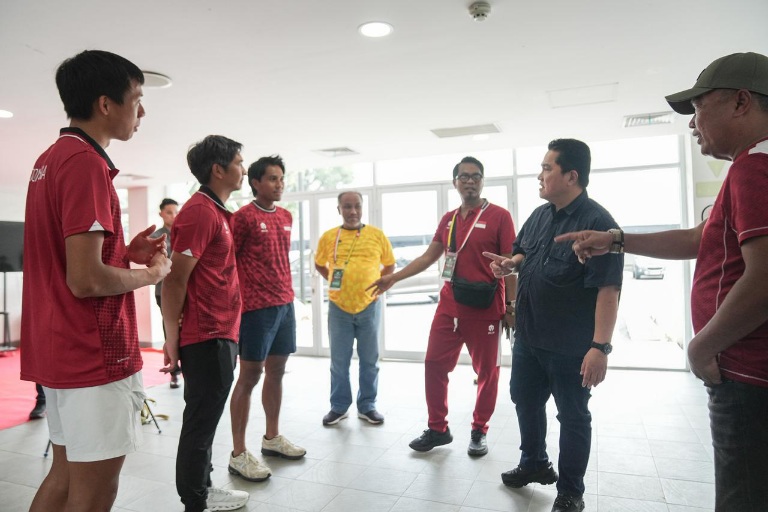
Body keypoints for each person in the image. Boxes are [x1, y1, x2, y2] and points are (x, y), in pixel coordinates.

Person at [554, 52, 768, 512]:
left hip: (747, 374)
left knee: (743, 496)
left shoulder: (756, 167)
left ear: (741, 102)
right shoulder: (748, 166)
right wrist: (616, 240)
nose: (692, 124)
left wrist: (701, 346)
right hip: (747, 371)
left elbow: (766, 277)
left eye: (699, 107)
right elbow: (700, 239)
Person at [20, 50, 171, 512]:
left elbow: (70, 261)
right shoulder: (85, 163)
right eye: (137, 99)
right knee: (95, 490)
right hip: (91, 352)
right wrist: (149, 274)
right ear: (106, 104)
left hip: (59, 347)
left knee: (64, 476)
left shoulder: (51, 159)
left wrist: (126, 256)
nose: (141, 111)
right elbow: (84, 279)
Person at [485, 138, 623, 512]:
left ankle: (571, 491)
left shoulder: (599, 224)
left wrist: (600, 348)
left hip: (569, 346)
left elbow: (608, 292)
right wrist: (510, 264)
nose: (540, 175)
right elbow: (523, 250)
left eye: (547, 168)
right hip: (529, 338)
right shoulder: (539, 215)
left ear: (572, 176)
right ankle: (534, 462)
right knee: (524, 400)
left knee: (572, 416)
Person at [369, 156, 516, 456]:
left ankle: (479, 430)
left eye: (476, 176)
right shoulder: (449, 219)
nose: (470, 181)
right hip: (449, 307)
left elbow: (510, 266)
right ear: (455, 183)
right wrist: (393, 278)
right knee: (434, 364)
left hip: (486, 307)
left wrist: (511, 307)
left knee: (487, 372)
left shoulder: (500, 216)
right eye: (464, 177)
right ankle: (438, 428)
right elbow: (428, 257)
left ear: (483, 181)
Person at [161, 135, 249, 512]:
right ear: (219, 169)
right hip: (207, 335)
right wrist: (172, 338)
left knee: (206, 420)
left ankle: (204, 487)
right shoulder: (199, 212)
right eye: (239, 162)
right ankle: (195, 500)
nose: (243, 169)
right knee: (200, 422)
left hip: (221, 333)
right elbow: (174, 279)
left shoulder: (215, 210)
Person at [227, 155, 306, 484]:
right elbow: (228, 261)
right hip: (255, 309)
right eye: (272, 179)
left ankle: (272, 438)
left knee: (277, 372)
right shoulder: (243, 218)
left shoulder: (286, 216)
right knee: (249, 377)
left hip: (284, 305)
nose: (279, 184)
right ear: (255, 182)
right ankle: (238, 453)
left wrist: (289, 298)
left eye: (281, 178)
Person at [315, 191, 396, 426]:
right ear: (339, 209)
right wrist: (336, 281)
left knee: (369, 359)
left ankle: (367, 405)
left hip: (369, 305)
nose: (353, 211)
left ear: (362, 208)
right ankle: (339, 406)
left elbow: (389, 264)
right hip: (338, 307)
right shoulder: (329, 236)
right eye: (347, 207)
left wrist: (378, 287)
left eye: (357, 206)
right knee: (339, 361)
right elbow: (320, 265)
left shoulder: (376, 235)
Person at [150, 197, 180, 388]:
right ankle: (174, 372)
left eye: (176, 212)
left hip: (183, 289)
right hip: (164, 291)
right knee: (169, 328)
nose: (173, 216)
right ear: (161, 213)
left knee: (184, 328)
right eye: (169, 212)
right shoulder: (156, 237)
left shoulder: (183, 233)